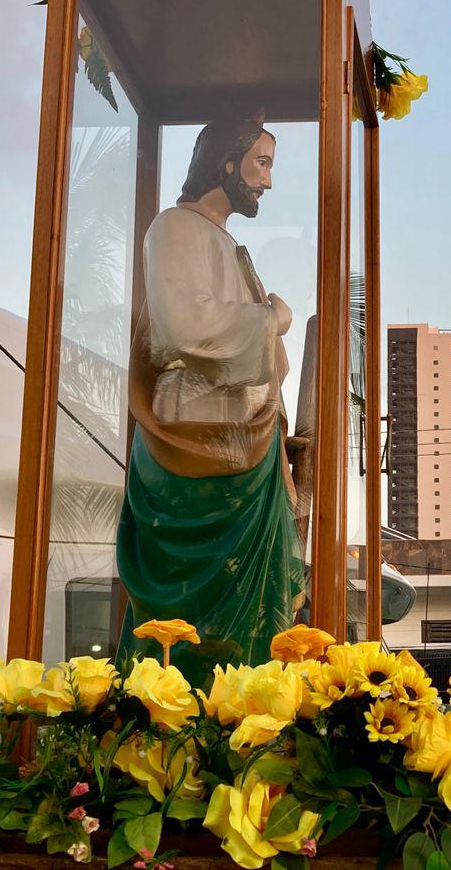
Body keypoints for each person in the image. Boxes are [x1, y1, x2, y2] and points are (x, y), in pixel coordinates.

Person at [116, 113, 306, 677]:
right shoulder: (175, 229)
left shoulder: (227, 244)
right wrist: (271, 317)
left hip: (247, 438)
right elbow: (181, 325)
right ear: (226, 162)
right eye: (261, 164)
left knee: (255, 603)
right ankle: (174, 713)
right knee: (185, 607)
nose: (267, 182)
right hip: (195, 436)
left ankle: (249, 707)